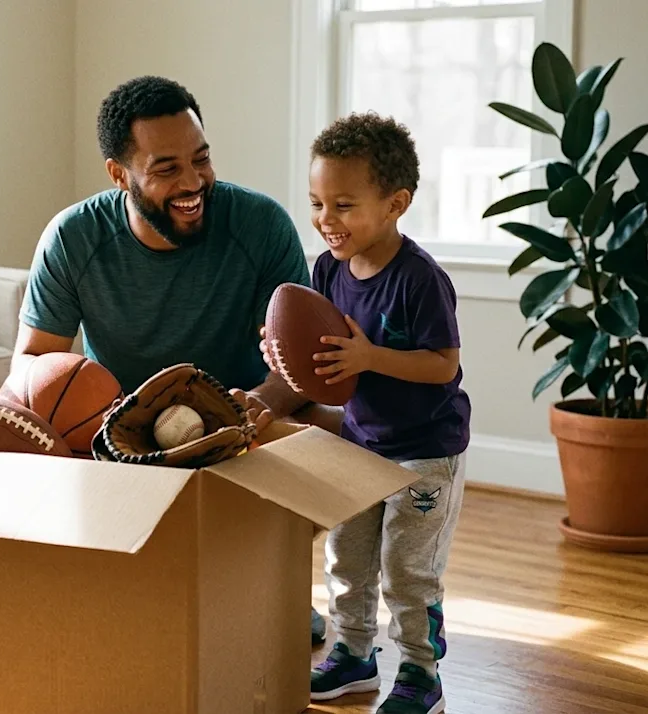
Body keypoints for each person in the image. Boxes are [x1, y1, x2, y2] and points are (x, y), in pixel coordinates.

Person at [7, 75, 330, 644]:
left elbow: (295, 365)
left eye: (200, 160)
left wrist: (259, 402)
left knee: (335, 431)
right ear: (119, 174)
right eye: (166, 169)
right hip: (118, 436)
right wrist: (44, 417)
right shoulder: (73, 238)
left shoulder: (260, 224)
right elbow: (33, 360)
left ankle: (270, 582)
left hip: (237, 428)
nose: (193, 182)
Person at [257, 113, 470, 713]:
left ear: (395, 203)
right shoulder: (326, 270)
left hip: (426, 451)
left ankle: (422, 675)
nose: (326, 219)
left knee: (407, 570)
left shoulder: (420, 278)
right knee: (346, 557)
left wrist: (371, 356)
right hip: (360, 443)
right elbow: (314, 353)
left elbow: (442, 366)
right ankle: (353, 656)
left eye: (344, 205)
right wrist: (276, 347)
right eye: (317, 202)